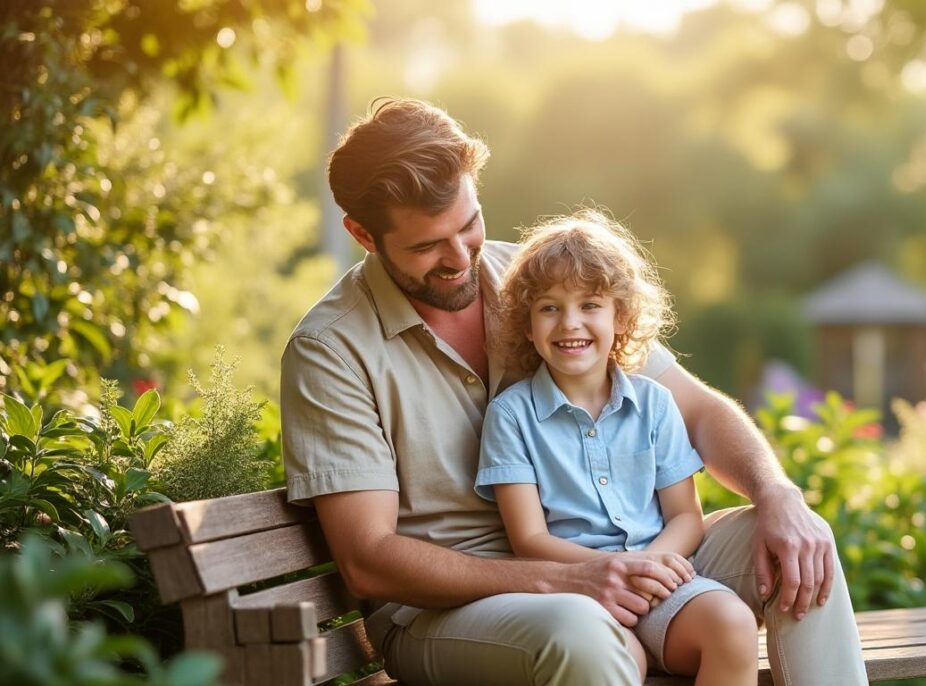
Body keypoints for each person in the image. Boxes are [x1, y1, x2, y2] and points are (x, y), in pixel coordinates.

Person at [281, 96, 868, 686]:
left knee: (799, 548)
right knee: (580, 630)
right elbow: (368, 559)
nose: (459, 258)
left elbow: (698, 410)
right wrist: (568, 579)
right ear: (363, 234)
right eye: (426, 245)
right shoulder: (332, 350)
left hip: (621, 557)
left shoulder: (539, 283)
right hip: (448, 610)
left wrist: (777, 493)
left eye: (468, 225)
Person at [476, 212, 759, 684]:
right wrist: (615, 568)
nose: (570, 323)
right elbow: (529, 540)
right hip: (576, 591)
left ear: (620, 317)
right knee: (611, 659)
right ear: (527, 325)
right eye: (549, 308)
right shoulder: (510, 415)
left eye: (590, 304)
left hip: (660, 580)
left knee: (731, 623)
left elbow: (685, 516)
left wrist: (649, 566)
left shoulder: (655, 403)